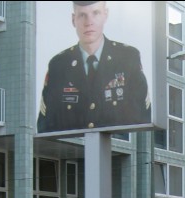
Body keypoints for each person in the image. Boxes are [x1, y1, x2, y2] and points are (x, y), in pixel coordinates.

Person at [36, 1, 151, 134]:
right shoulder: (58, 65)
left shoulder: (128, 58)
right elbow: (46, 127)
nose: (88, 22)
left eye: (95, 13)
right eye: (82, 15)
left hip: (113, 150)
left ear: (105, 15)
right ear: (74, 20)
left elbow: (143, 117)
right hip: (74, 153)